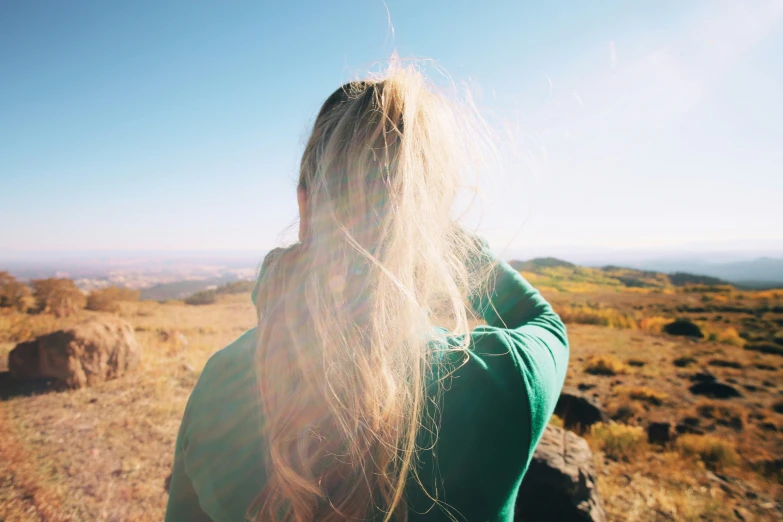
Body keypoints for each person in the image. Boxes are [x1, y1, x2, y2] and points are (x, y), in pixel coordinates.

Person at [165, 62, 569, 522]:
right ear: (433, 219)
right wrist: (439, 230)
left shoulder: (221, 384)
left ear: (304, 205)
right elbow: (545, 326)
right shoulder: (502, 382)